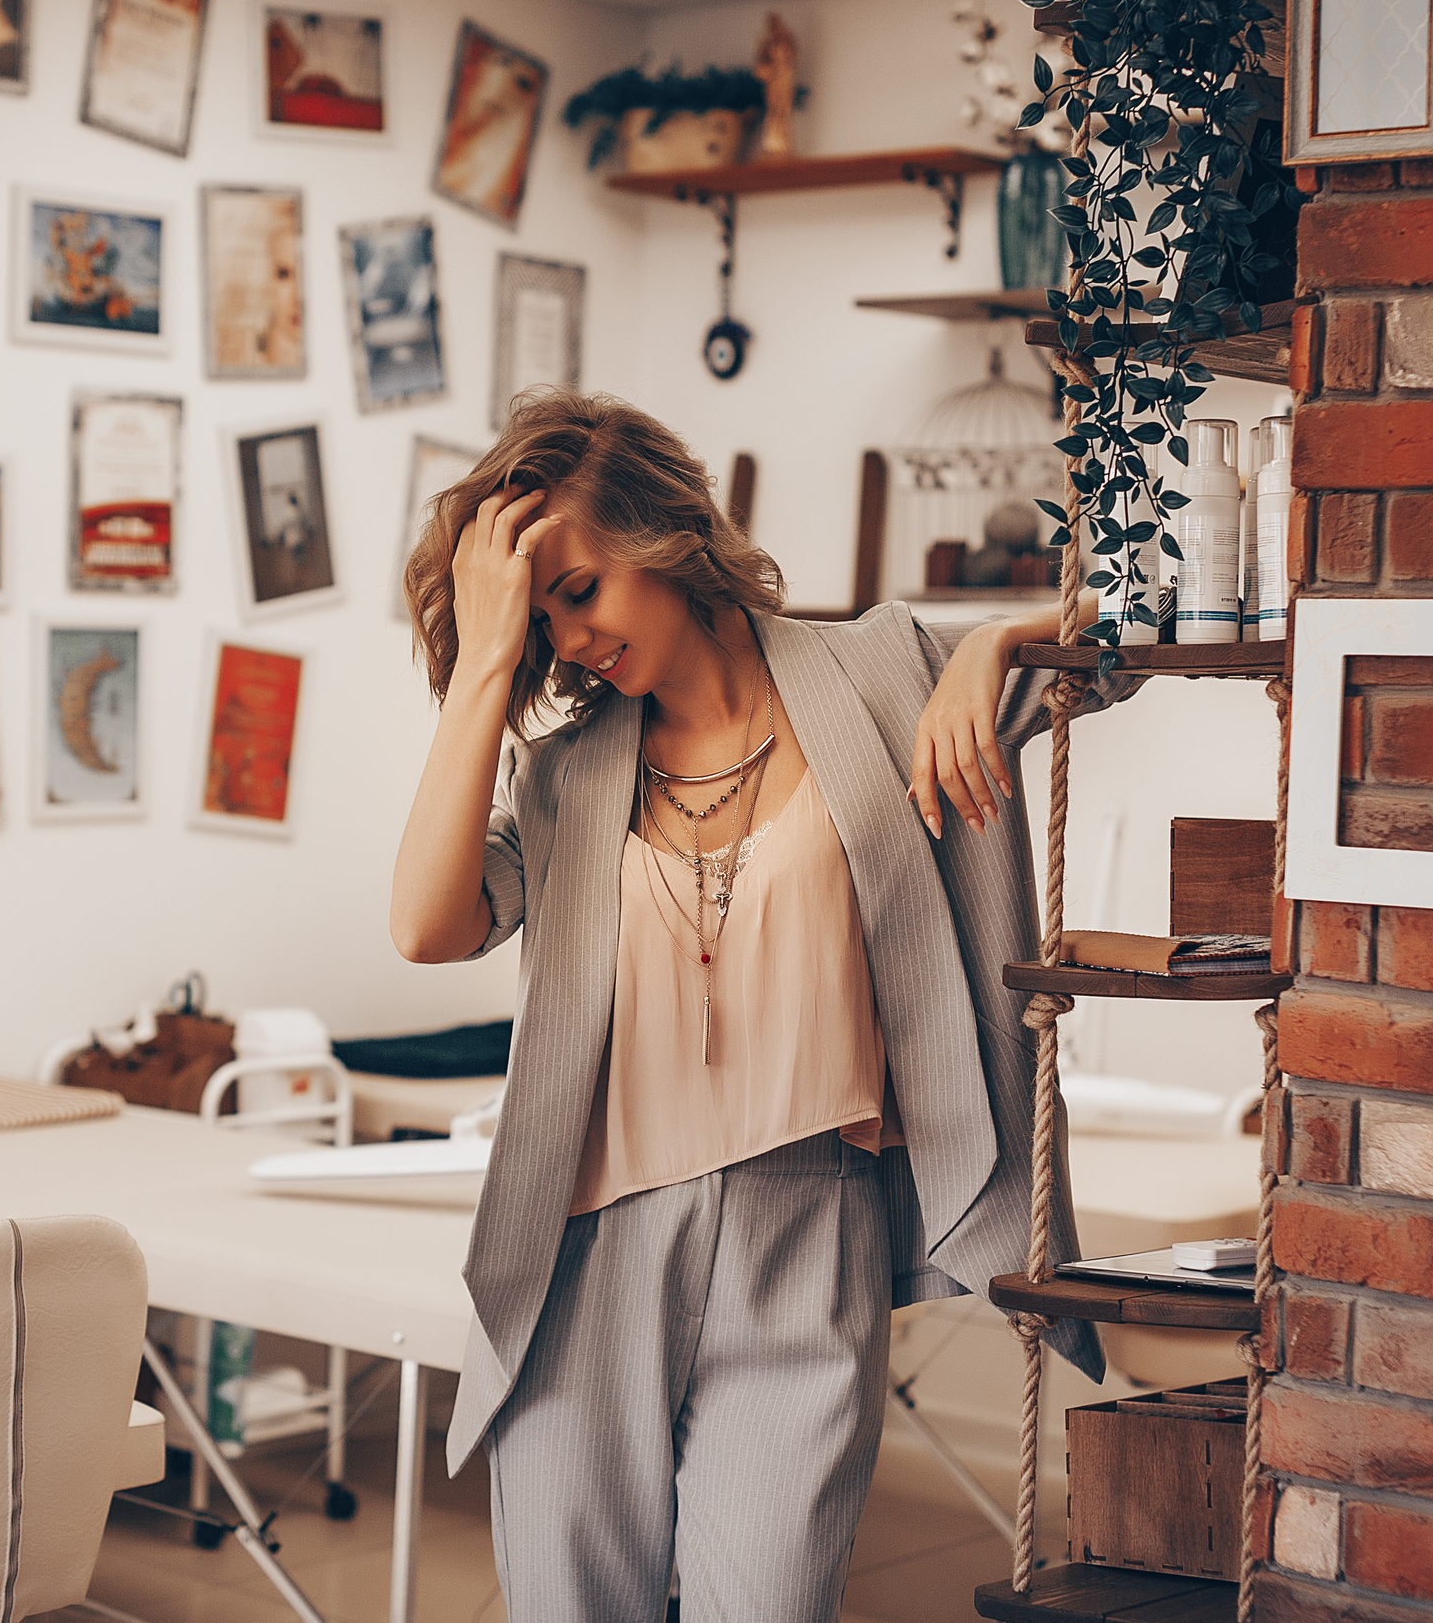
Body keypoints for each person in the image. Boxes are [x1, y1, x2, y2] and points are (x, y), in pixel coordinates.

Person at [390, 391, 1122, 1623]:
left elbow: (1151, 623)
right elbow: (426, 927)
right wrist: (479, 668)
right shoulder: (564, 777)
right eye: (539, 616)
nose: (565, 638)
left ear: (662, 532)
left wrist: (997, 642)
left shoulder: (892, 682)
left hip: (808, 1229)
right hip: (589, 1248)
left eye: (578, 590)